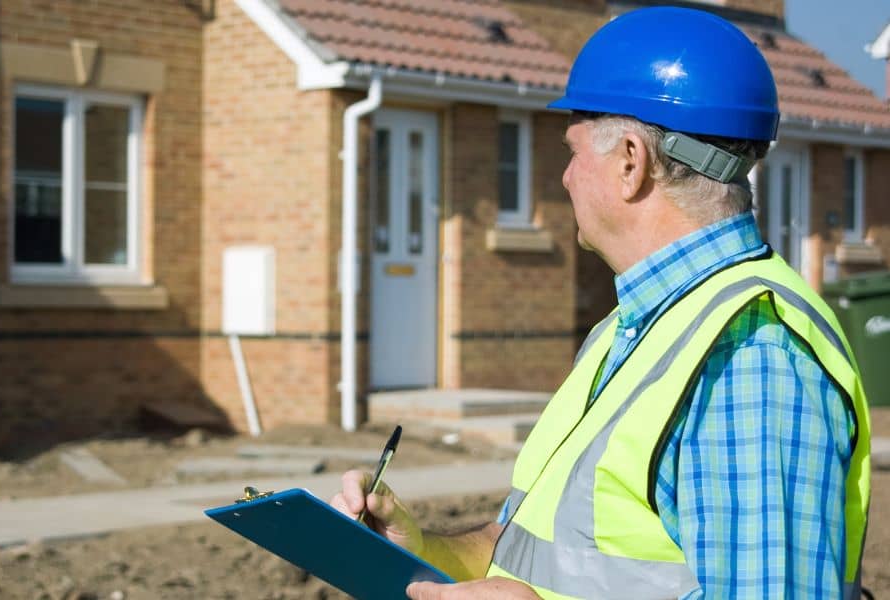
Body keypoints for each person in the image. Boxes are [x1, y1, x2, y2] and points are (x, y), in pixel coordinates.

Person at [332, 6, 871, 599]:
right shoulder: (632, 329)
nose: (563, 177)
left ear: (630, 163)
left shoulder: (750, 355)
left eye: (573, 150)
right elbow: (534, 553)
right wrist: (422, 549)